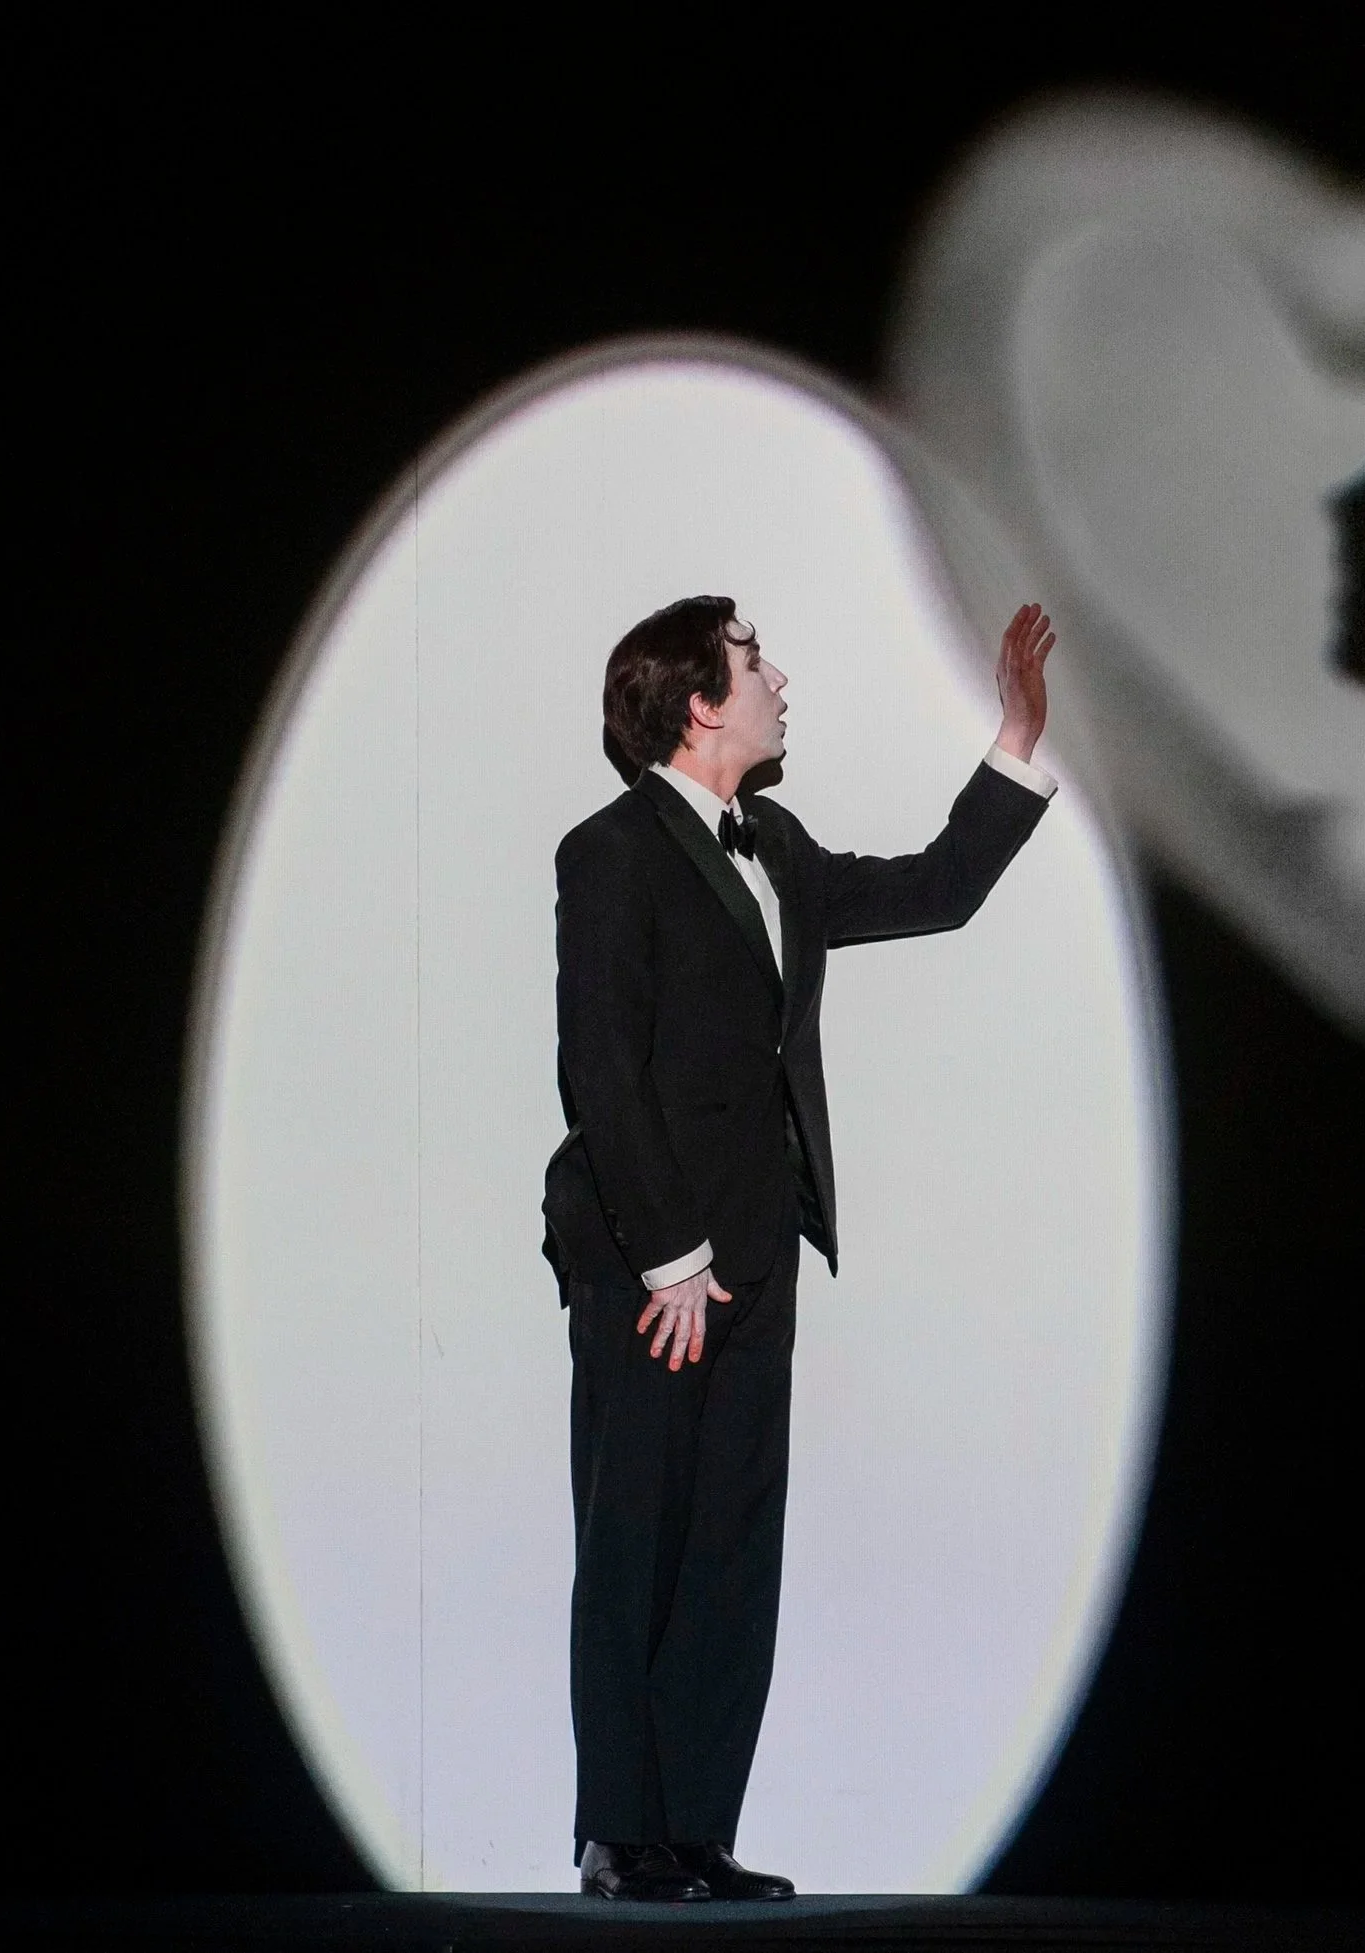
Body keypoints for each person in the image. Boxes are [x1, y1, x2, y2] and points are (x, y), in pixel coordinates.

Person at [542, 594, 1059, 1901]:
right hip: (652, 1263)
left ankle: (696, 1836)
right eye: (756, 659)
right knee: (635, 1543)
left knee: (727, 1549)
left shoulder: (770, 840)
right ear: (700, 701)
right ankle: (622, 1836)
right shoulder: (608, 855)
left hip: (760, 1254)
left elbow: (934, 892)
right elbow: (600, 1071)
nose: (781, 678)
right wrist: (670, 1257)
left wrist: (1015, 740)